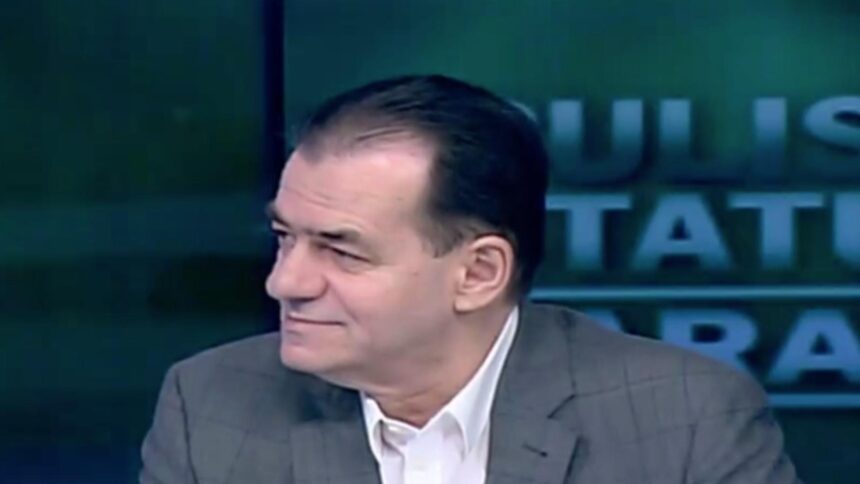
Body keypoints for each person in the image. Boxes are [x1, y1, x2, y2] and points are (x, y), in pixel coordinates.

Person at [140, 75, 802, 483]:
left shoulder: (684, 420)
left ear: (478, 273)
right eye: (286, 237)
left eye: (342, 252)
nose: (285, 283)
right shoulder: (213, 406)